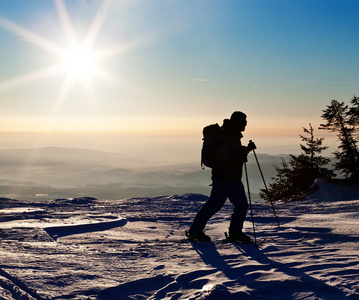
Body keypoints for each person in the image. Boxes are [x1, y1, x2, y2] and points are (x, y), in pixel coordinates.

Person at [187, 111, 256, 242]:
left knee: (241, 205)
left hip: (234, 178)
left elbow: (232, 154)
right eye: (243, 122)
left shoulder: (234, 135)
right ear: (236, 122)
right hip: (223, 179)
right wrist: (241, 153)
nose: (245, 124)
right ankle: (194, 232)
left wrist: (246, 150)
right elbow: (224, 157)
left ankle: (235, 232)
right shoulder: (224, 136)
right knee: (213, 206)